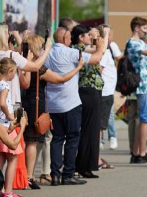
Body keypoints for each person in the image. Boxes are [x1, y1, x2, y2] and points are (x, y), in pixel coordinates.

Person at [19, 33, 84, 189]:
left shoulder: (18, 62)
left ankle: (50, 173)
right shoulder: (37, 68)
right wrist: (78, 68)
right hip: (36, 105)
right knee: (32, 142)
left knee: (48, 139)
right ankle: (30, 176)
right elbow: (60, 79)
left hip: (20, 104)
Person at [45, 27, 108, 186]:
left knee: (57, 139)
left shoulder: (47, 53)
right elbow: (95, 59)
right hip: (70, 102)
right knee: (72, 138)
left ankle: (55, 174)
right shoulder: (70, 52)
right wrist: (101, 44)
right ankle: (68, 174)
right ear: (66, 39)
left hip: (52, 103)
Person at [72, 25, 104, 179]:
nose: (90, 37)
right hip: (87, 91)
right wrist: (98, 38)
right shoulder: (77, 49)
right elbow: (99, 51)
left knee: (92, 130)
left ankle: (88, 164)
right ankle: (83, 165)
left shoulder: (84, 48)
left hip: (94, 91)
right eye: (88, 35)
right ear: (80, 37)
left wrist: (98, 37)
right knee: (88, 130)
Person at [0, 58, 24, 197]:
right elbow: (2, 102)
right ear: (10, 72)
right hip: (6, 125)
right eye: (15, 72)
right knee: (12, 159)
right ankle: (9, 191)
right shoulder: (5, 84)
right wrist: (10, 115)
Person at [127, 17, 147, 164]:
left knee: (144, 120)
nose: (146, 31)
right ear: (137, 28)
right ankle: (141, 153)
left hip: (146, 85)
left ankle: (137, 152)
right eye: (144, 28)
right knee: (145, 120)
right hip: (142, 86)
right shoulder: (133, 43)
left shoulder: (139, 43)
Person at [99, 25, 122, 151]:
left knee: (109, 114)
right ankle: (101, 139)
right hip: (102, 87)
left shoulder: (112, 47)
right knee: (102, 115)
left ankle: (112, 136)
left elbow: (119, 58)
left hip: (109, 85)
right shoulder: (100, 49)